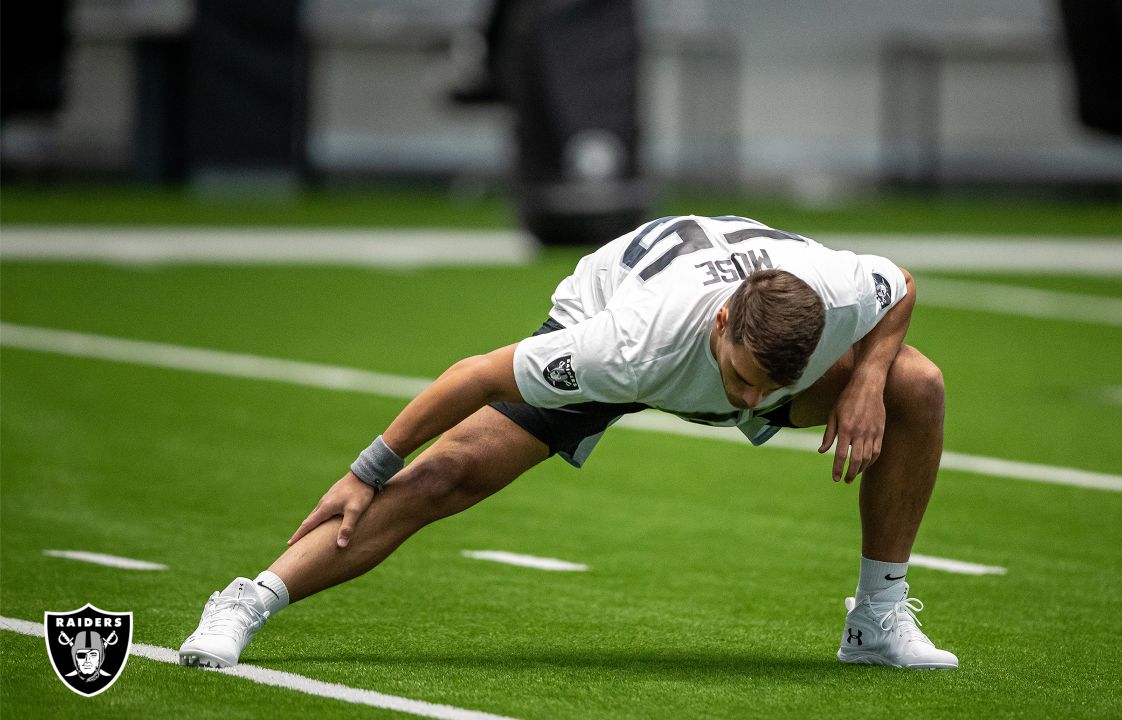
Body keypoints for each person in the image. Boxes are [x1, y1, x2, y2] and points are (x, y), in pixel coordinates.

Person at [178, 215, 957, 670]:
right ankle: (247, 602)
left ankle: (876, 622)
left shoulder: (841, 291)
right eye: (743, 378)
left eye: (766, 391)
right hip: (618, 312)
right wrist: (365, 469)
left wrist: (864, 380)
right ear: (723, 327)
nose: (750, 404)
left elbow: (900, 282)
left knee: (915, 385)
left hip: (741, 316)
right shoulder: (621, 345)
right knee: (451, 471)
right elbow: (475, 375)